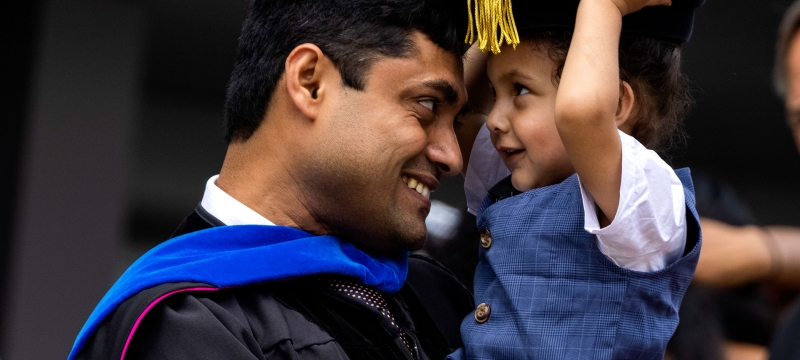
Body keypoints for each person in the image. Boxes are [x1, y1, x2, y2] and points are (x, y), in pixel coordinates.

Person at [68, 0, 475, 359]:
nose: (453, 157)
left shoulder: (435, 296)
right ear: (310, 82)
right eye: (427, 105)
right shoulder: (183, 326)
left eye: (455, 123)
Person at [448, 0, 704, 358]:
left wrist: (607, 5)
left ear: (614, 103)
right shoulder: (523, 173)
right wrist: (497, 18)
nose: (493, 119)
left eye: (519, 90)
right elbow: (451, 111)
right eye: (494, 94)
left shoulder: (645, 197)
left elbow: (581, 115)